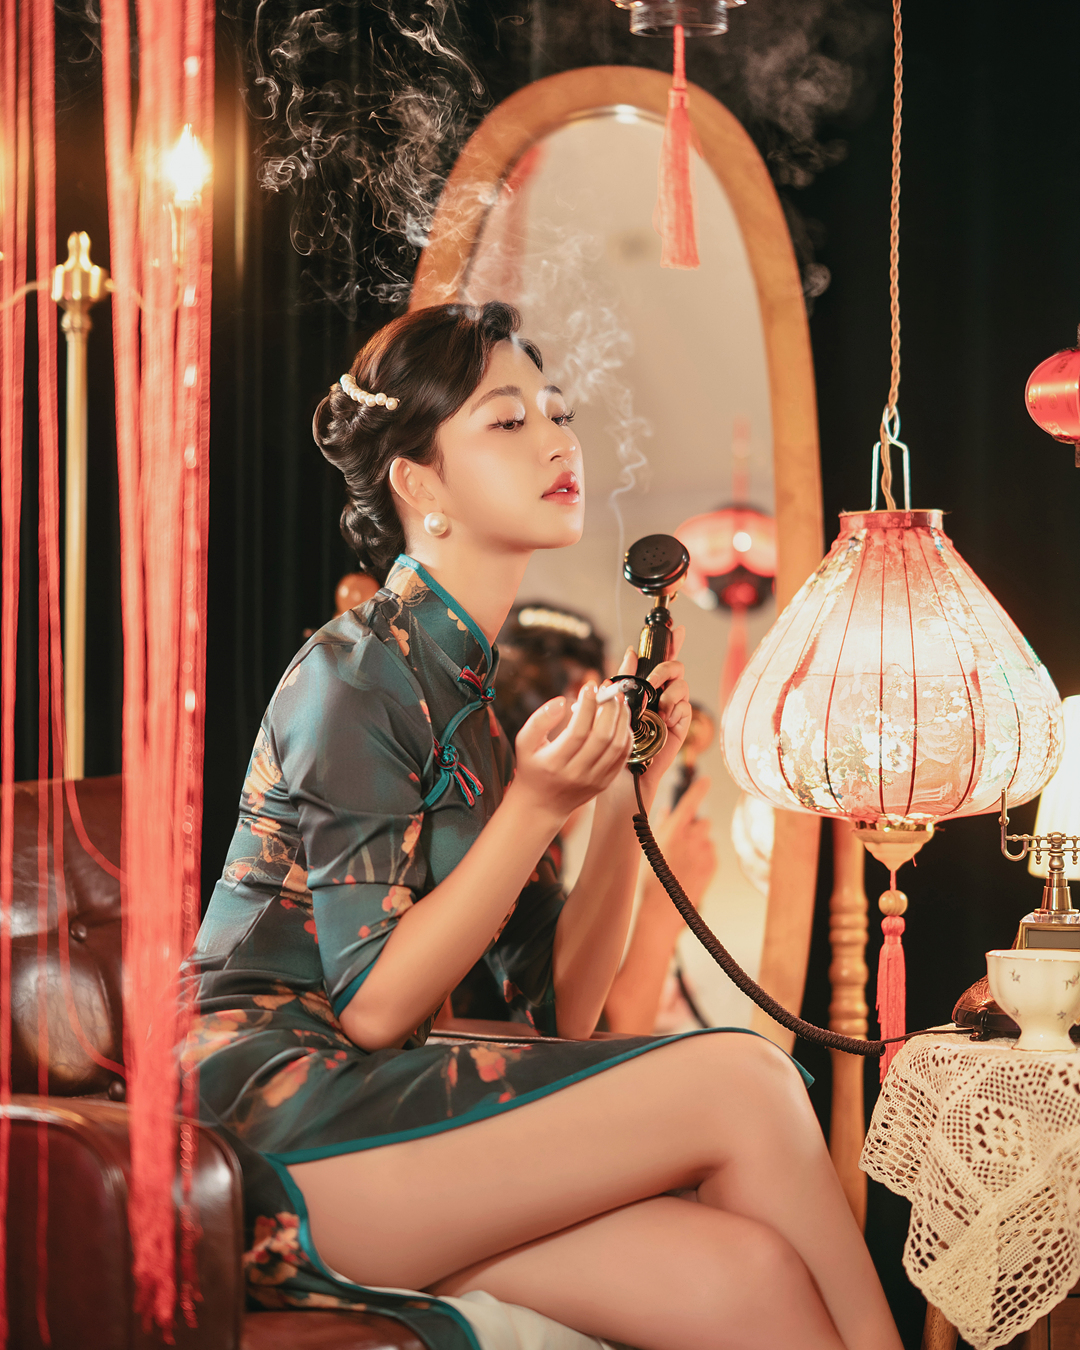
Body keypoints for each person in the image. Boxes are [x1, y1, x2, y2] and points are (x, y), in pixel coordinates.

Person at [180, 301, 902, 1350]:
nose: (558, 440)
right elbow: (374, 1007)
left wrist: (620, 794)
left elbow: (563, 1009)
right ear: (420, 485)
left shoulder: (476, 708)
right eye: (507, 420)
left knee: (742, 1279)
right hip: (265, 1135)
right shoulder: (354, 674)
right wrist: (532, 806)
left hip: (375, 1133)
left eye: (557, 412)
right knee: (745, 1076)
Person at [490, 602, 717, 1035]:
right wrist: (664, 911)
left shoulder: (544, 848)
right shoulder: (504, 828)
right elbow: (584, 1031)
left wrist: (631, 791)